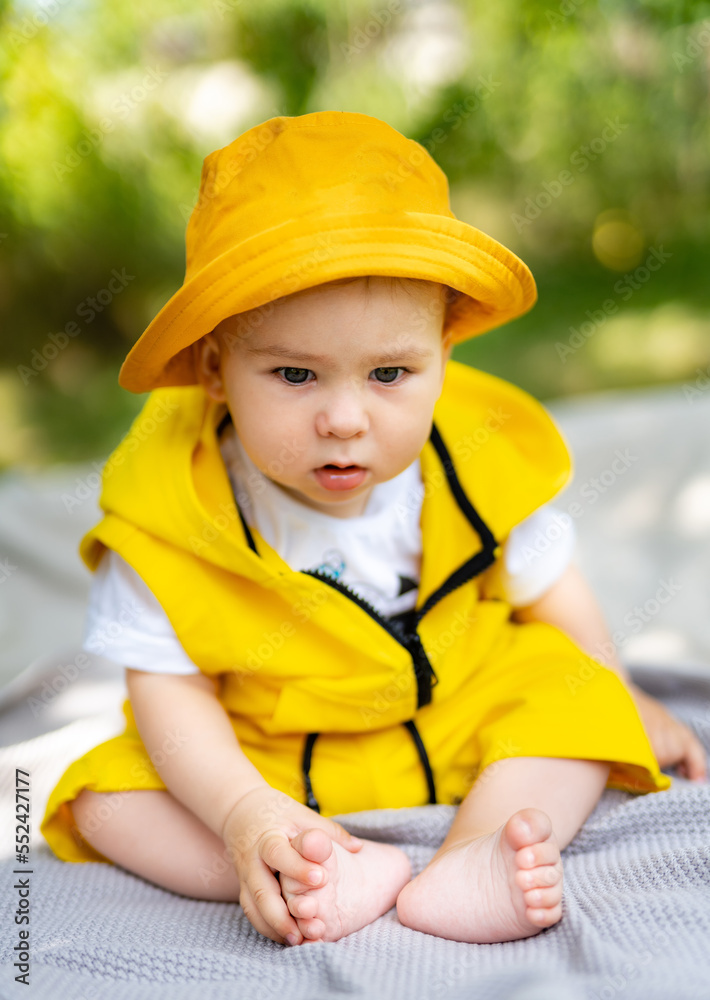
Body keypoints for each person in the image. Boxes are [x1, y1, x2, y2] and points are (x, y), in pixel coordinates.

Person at [40, 110, 706, 948]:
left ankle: (473, 858)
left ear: (443, 355)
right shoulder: (168, 517)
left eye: (390, 373)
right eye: (294, 374)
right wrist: (245, 814)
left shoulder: (480, 460)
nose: (345, 419)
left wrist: (620, 691)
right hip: (272, 751)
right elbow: (169, 696)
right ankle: (312, 867)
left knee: (572, 703)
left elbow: (552, 588)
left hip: (463, 702)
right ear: (213, 368)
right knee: (107, 798)